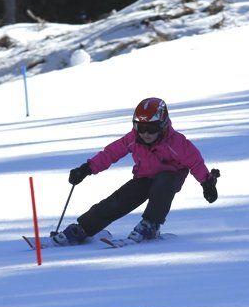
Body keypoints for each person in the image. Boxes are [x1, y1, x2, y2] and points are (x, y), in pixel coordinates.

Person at [52, 97, 219, 245]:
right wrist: (87, 169)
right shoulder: (133, 139)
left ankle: (151, 225)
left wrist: (207, 183)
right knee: (118, 200)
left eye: (151, 128)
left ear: (162, 125)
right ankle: (84, 228)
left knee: (164, 181)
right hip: (144, 177)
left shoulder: (176, 142)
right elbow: (110, 153)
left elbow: (195, 162)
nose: (145, 133)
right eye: (140, 127)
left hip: (170, 177)